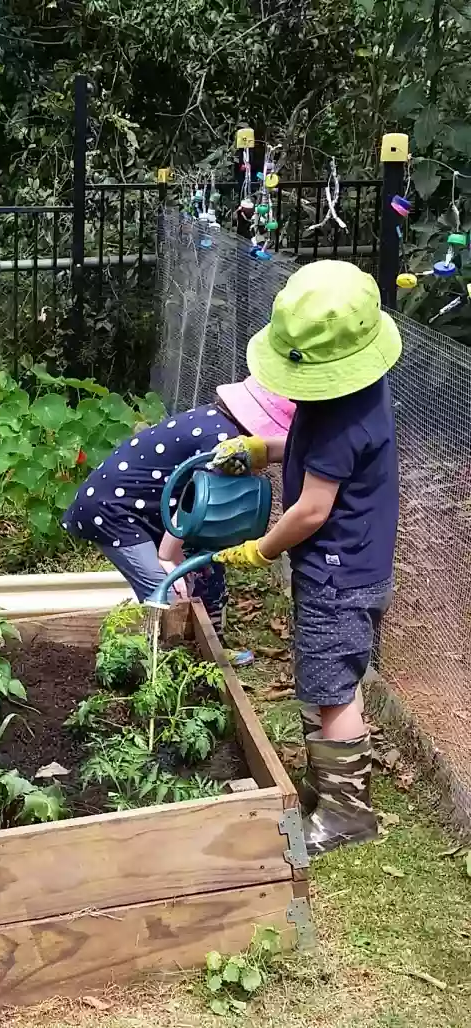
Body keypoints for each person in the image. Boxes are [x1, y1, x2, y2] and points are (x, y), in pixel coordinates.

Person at [214, 259, 400, 856]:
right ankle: (332, 791)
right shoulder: (354, 395)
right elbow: (310, 452)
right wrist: (261, 450)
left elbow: (311, 510)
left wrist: (259, 549)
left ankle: (349, 815)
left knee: (332, 687)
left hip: (337, 576)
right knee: (332, 677)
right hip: (350, 568)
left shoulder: (340, 419)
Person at [62, 376, 296, 633]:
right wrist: (168, 558)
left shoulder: (216, 421)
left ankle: (208, 647)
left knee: (205, 570)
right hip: (113, 510)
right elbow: (194, 504)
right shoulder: (224, 441)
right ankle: (165, 656)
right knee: (165, 592)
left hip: (149, 508)